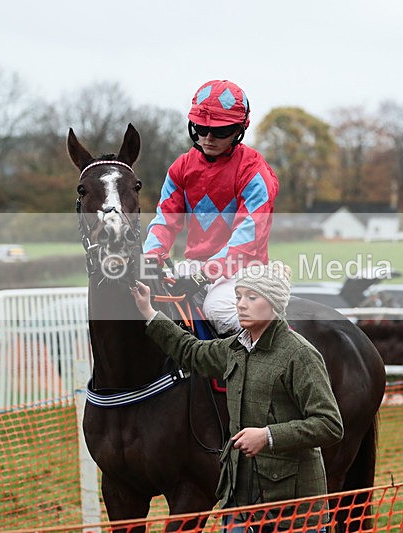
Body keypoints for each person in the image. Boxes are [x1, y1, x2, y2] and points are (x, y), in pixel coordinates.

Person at [130, 261, 343, 531]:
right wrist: (148, 311)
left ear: (274, 303)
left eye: (251, 298)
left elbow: (329, 424)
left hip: (292, 510)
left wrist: (267, 436)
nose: (241, 305)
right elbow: (191, 351)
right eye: (239, 296)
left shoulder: (301, 355)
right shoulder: (234, 348)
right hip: (240, 501)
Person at [142, 80, 280, 336]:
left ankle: (261, 370)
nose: (208, 138)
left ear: (239, 129)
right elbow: (165, 219)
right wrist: (151, 256)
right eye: (201, 128)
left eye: (219, 131)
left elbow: (247, 235)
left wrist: (206, 274)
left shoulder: (253, 171)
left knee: (218, 308)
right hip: (195, 265)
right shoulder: (181, 168)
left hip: (246, 268)